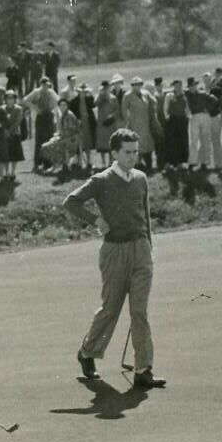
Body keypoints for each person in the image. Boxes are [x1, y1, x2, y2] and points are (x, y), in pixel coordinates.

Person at [65, 129, 164, 390]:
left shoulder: (141, 178)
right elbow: (71, 202)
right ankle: (87, 352)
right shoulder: (101, 180)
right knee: (111, 309)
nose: (133, 157)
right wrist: (97, 220)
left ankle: (144, 369)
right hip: (114, 251)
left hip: (141, 249)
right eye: (127, 152)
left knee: (139, 311)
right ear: (115, 153)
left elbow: (146, 216)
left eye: (135, 152)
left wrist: (149, 247)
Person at [121, 77, 159, 172]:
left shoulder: (145, 93)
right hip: (134, 123)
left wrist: (153, 111)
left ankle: (149, 165)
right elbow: (124, 109)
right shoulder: (128, 95)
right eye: (135, 84)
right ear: (132, 86)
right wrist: (127, 122)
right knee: (136, 144)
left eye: (139, 84)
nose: (138, 86)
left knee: (147, 143)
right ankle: (138, 165)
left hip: (146, 122)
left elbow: (154, 101)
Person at [26, 77, 59, 173]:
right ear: (40, 84)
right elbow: (26, 100)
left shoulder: (51, 92)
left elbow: (58, 100)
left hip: (49, 117)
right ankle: (37, 163)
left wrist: (53, 107)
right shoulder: (36, 92)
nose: (45, 86)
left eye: (46, 84)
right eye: (43, 84)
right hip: (40, 117)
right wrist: (35, 108)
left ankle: (48, 163)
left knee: (49, 139)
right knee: (39, 140)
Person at [2, 89, 25, 179]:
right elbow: (1, 120)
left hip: (15, 134)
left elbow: (17, 122)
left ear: (14, 99)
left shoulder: (18, 109)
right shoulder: (2, 108)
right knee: (5, 154)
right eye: (8, 98)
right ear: (5, 99)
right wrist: (5, 131)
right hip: (4, 135)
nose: (10, 100)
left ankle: (12, 172)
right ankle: (6, 172)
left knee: (14, 155)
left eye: (12, 98)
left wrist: (9, 131)